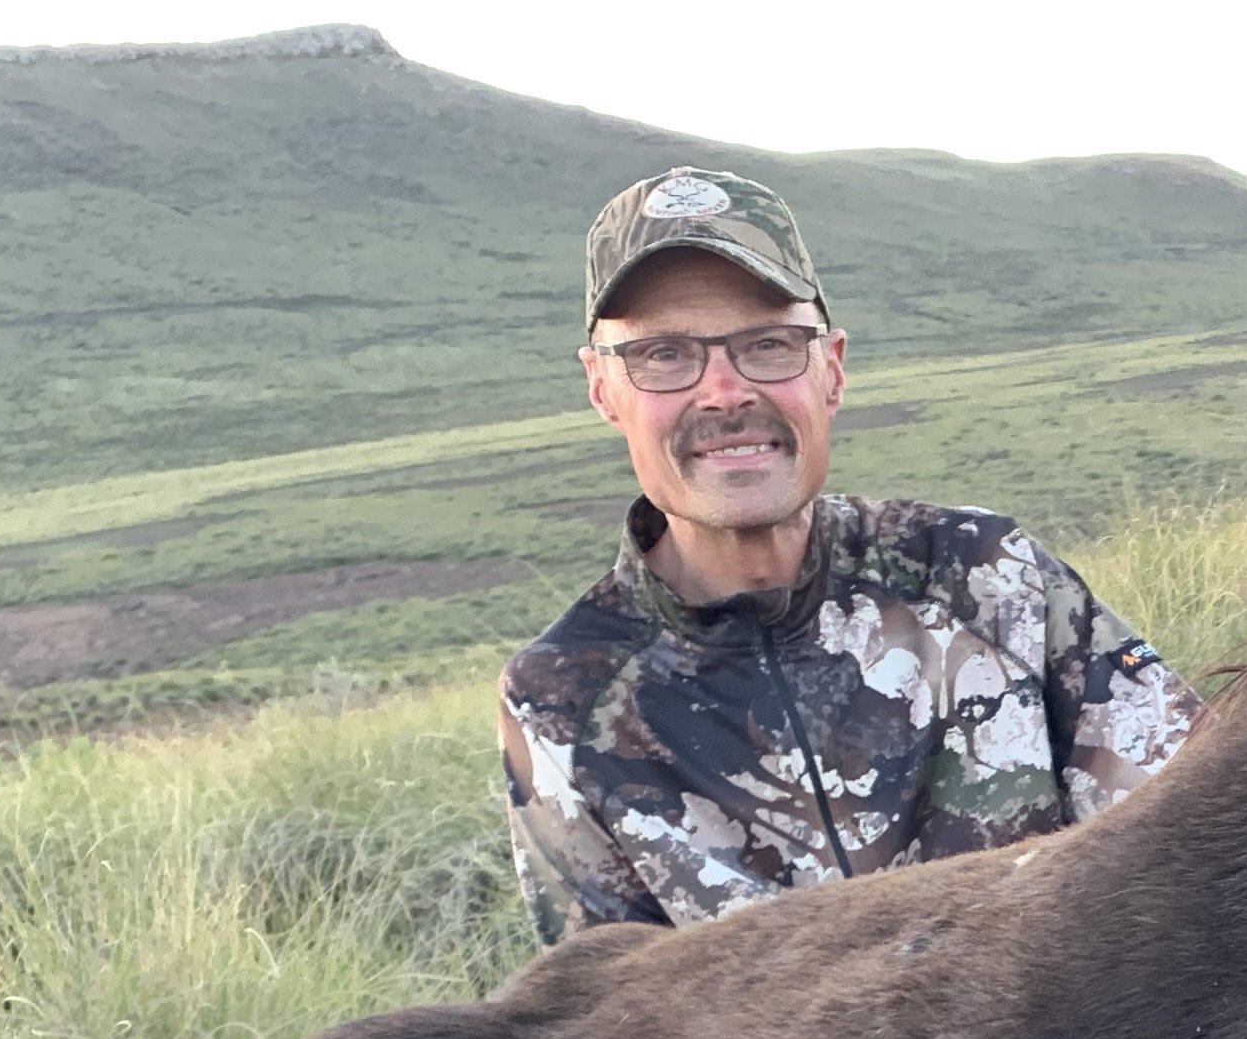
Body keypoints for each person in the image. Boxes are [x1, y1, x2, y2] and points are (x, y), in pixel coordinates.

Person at [499, 166, 1202, 941]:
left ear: (832, 368)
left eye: (769, 344)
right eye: (663, 356)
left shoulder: (990, 576)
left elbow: (1197, 829)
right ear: (603, 388)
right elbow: (611, 1019)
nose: (725, 393)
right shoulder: (563, 700)